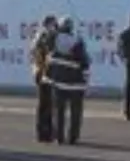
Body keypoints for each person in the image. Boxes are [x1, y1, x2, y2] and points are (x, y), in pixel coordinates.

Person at [44, 17, 90, 145]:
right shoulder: (78, 41)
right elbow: (85, 63)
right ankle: (73, 137)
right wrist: (86, 82)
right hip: (76, 84)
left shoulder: (54, 40)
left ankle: (59, 137)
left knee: (58, 111)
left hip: (59, 82)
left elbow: (48, 52)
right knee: (76, 112)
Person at [28, 14, 59, 142]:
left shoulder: (38, 37)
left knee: (44, 104)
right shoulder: (48, 37)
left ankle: (43, 132)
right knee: (48, 104)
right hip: (46, 73)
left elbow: (33, 54)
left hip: (40, 72)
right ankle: (48, 132)